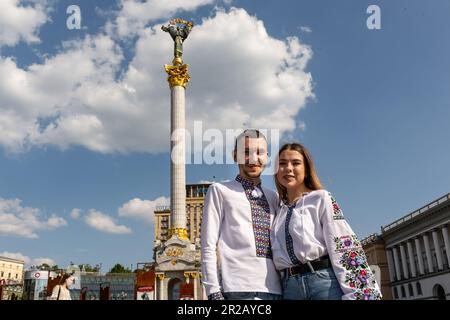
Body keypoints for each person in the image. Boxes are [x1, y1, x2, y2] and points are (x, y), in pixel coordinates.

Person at [271, 143, 382, 300]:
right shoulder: (278, 210)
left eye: (295, 163)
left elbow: (343, 246)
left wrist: (358, 293)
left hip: (323, 284)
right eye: (282, 163)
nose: (288, 168)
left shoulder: (321, 198)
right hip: (289, 288)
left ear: (307, 170)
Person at [201, 129, 282, 300]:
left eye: (259, 152)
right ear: (234, 156)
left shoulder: (274, 196)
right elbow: (208, 245)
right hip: (237, 289)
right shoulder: (220, 190)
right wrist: (213, 292)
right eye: (246, 152)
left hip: (276, 290)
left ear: (267, 157)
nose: (253, 159)